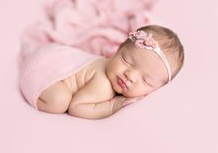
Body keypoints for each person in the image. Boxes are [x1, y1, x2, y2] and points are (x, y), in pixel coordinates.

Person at [24, 25, 184, 119]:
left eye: (146, 81)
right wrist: (112, 106)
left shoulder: (111, 68)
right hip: (43, 67)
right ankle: (33, 90)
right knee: (60, 100)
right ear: (118, 49)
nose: (130, 75)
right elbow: (76, 107)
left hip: (49, 54)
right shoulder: (103, 84)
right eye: (126, 60)